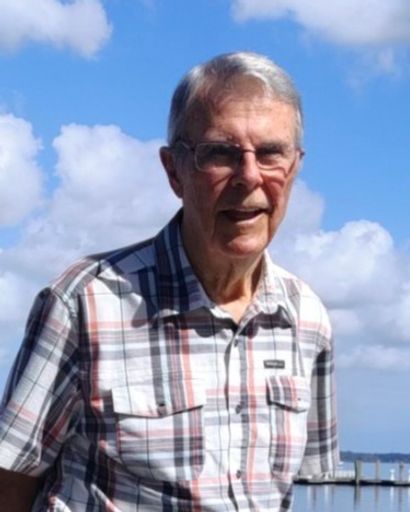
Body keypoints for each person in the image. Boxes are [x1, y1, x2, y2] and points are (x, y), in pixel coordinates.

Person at [0, 51, 339, 511]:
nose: (249, 176)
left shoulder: (307, 319)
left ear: (295, 166)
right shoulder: (85, 302)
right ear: (174, 171)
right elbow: (10, 480)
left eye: (270, 153)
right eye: (219, 153)